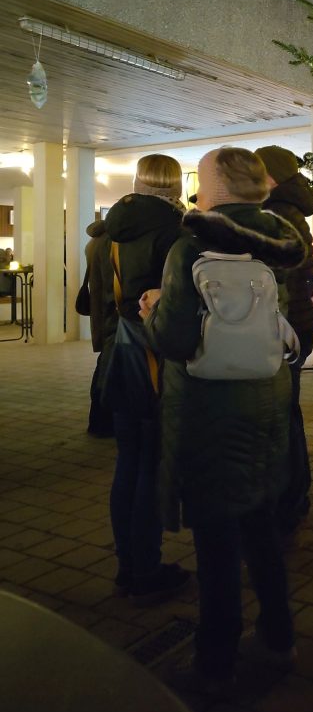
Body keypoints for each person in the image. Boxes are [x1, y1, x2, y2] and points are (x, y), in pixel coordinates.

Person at [142, 147, 307, 696]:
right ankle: (279, 636)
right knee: (260, 522)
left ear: (215, 184)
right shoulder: (287, 244)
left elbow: (176, 340)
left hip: (212, 407)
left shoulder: (192, 245)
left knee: (216, 540)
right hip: (268, 396)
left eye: (202, 175)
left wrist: (153, 310)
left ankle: (215, 661)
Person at [102, 154, 189, 603]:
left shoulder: (112, 230)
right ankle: (146, 567)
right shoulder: (175, 233)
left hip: (122, 354)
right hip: (155, 359)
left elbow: (99, 296)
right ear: (175, 184)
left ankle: (126, 564)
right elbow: (177, 304)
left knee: (127, 461)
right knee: (152, 466)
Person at [254, 146, 313, 532]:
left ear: (271, 177)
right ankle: (294, 497)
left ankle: (289, 501)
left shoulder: (277, 215)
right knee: (287, 412)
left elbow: (275, 273)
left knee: (282, 415)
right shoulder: (288, 212)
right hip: (296, 324)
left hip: (285, 326)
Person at [75, 217, 114, 437]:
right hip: (110, 314)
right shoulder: (110, 242)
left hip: (101, 313)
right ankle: (101, 423)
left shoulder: (95, 240)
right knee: (107, 369)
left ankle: (98, 422)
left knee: (104, 366)